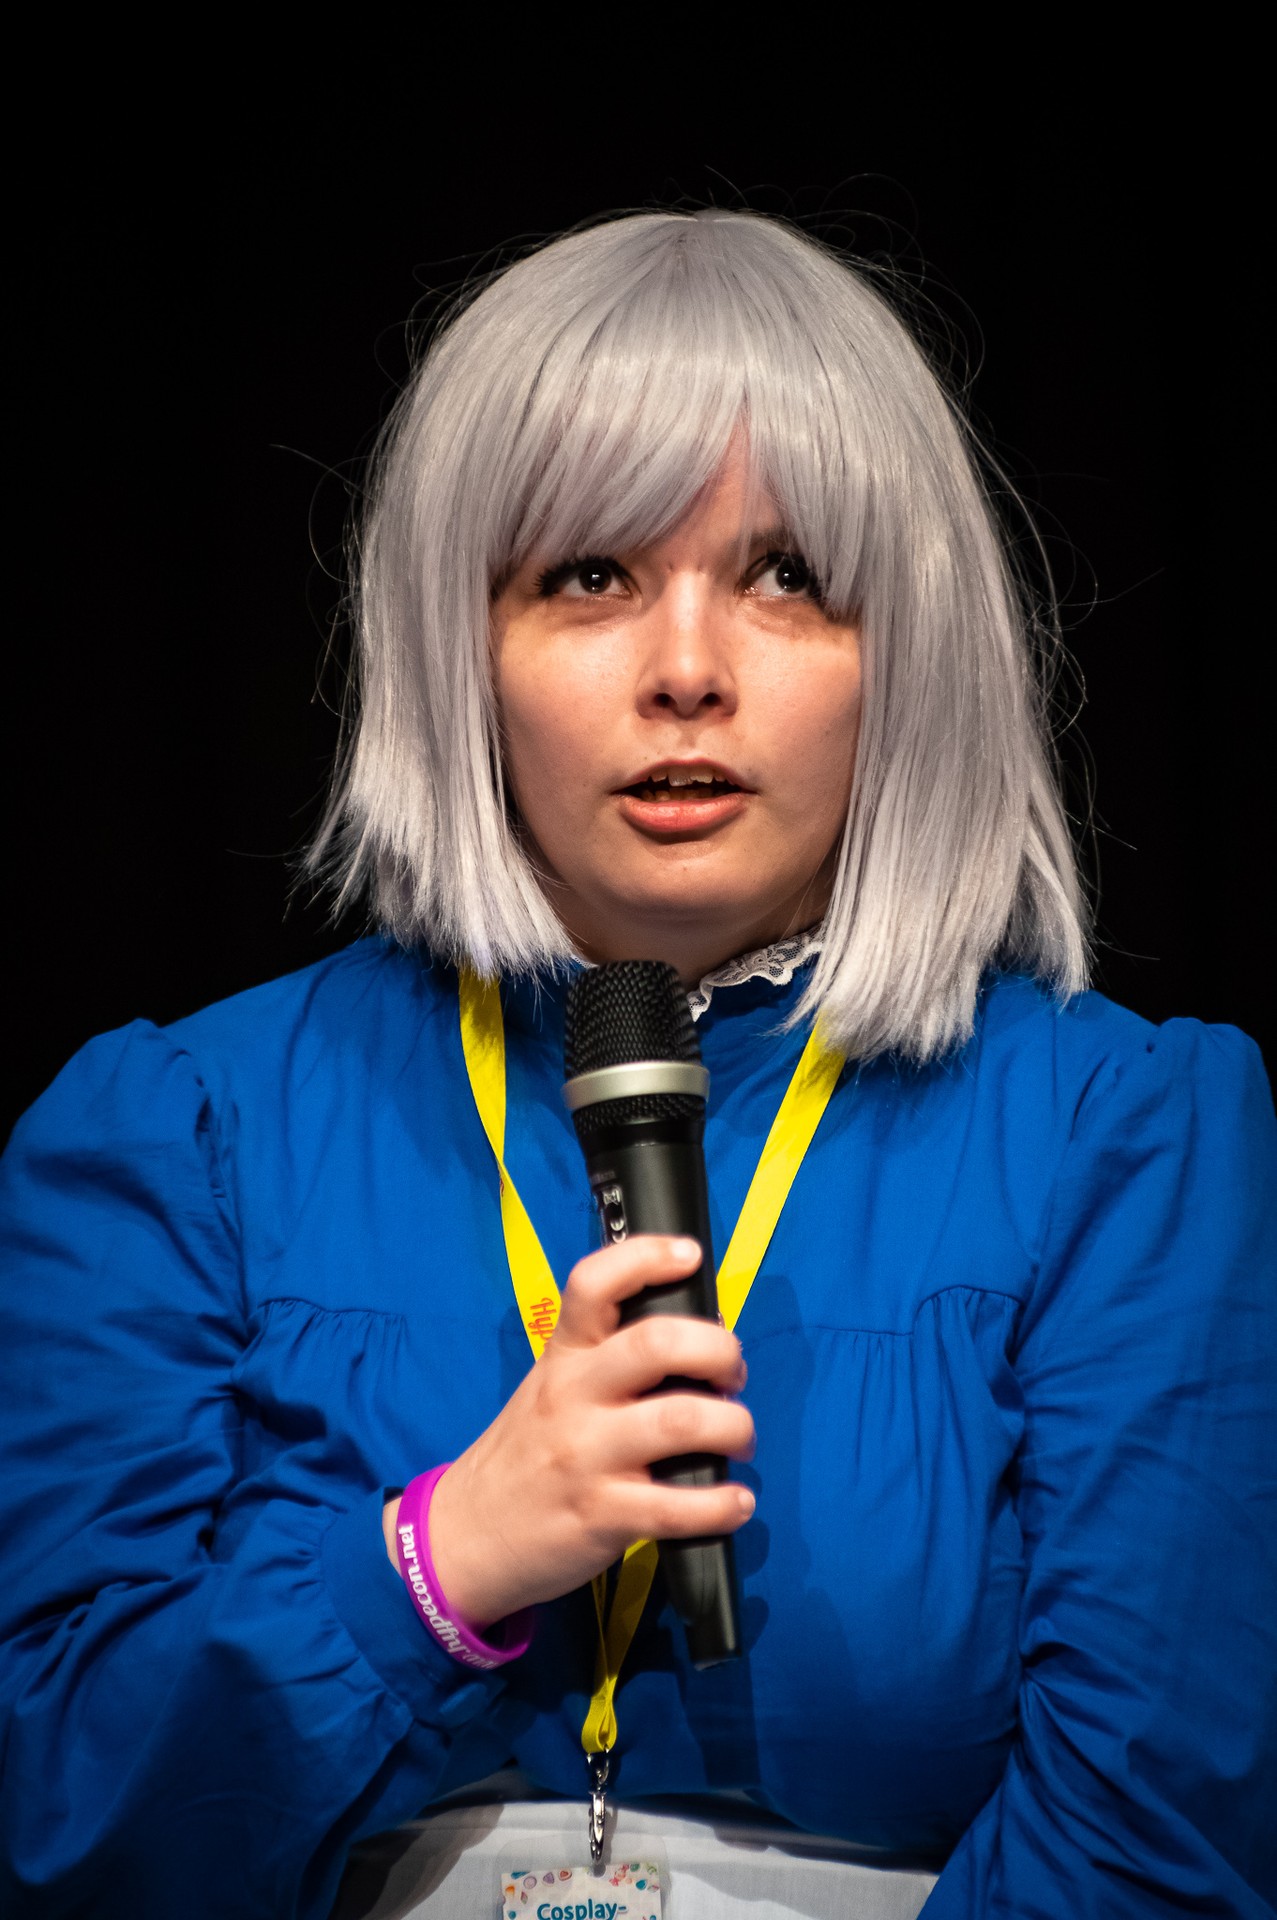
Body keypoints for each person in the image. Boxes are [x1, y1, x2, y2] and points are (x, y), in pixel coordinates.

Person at [1, 209, 1273, 1920]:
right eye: (588, 575)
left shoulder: (1117, 1136)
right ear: (459, 643)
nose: (686, 671)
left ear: (908, 653)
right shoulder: (181, 1133)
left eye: (787, 576)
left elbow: (1150, 1849)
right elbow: (62, 1833)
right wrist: (442, 1561)